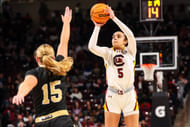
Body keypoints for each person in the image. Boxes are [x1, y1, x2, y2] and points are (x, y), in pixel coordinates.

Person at [12, 6, 74, 127]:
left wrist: (20, 94)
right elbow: (63, 42)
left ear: (36, 58)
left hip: (42, 122)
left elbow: (27, 84)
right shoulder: (60, 65)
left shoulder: (34, 73)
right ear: (54, 57)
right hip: (62, 120)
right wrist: (66, 23)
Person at [88, 6, 139, 127]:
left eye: (118, 36)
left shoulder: (131, 51)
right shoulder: (108, 53)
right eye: (113, 37)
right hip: (113, 95)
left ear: (125, 41)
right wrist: (97, 27)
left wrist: (114, 18)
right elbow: (91, 47)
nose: (114, 38)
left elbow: (130, 35)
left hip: (129, 94)